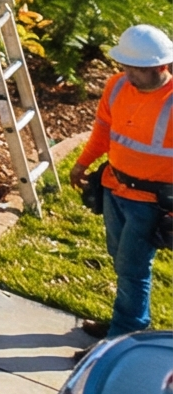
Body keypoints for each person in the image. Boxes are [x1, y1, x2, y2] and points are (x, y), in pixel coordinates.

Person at [74, 24, 173, 337]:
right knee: (120, 260)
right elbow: (104, 130)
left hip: (150, 203)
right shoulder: (117, 86)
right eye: (126, 67)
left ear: (161, 66)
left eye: (138, 70)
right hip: (114, 189)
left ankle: (123, 335)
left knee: (133, 269)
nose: (129, 75)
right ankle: (126, 321)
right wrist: (82, 162)